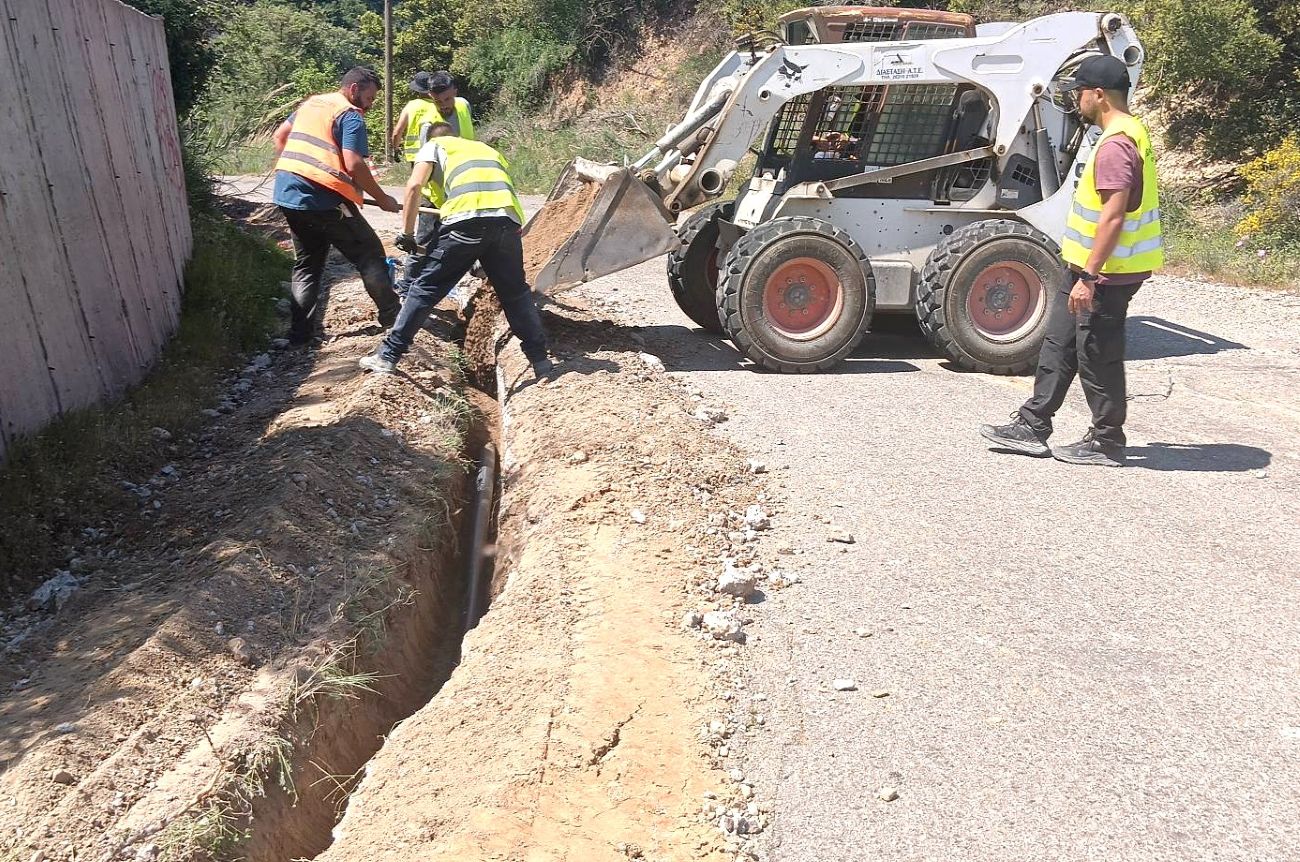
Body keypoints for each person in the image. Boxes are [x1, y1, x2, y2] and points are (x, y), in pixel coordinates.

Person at [980, 55, 1163, 467]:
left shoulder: (1117, 144)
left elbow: (1114, 215)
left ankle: (1106, 442)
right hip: (1085, 267)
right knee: (1059, 341)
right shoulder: (1126, 131)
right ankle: (1033, 425)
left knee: (1096, 353)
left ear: (1098, 95)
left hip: (1106, 273)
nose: (1075, 100)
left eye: (1079, 92)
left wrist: (1090, 277)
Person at [358, 123, 553, 378]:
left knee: (425, 289)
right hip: (507, 222)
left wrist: (407, 234)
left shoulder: (433, 146)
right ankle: (540, 362)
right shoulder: (485, 149)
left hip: (466, 223)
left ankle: (387, 356)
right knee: (515, 293)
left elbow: (415, 187)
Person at [272, 66, 402, 346]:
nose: (371, 104)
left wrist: (299, 172)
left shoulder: (312, 104)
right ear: (354, 89)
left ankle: (299, 336)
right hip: (324, 200)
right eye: (370, 97)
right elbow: (354, 163)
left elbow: (280, 138)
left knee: (307, 265)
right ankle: (395, 320)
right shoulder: (349, 115)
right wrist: (382, 199)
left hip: (289, 194)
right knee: (369, 254)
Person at [389, 70, 475, 160]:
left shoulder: (464, 104)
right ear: (430, 95)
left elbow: (397, 133)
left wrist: (395, 150)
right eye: (438, 101)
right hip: (454, 165)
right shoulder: (428, 123)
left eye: (447, 99)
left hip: (468, 160)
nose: (444, 105)